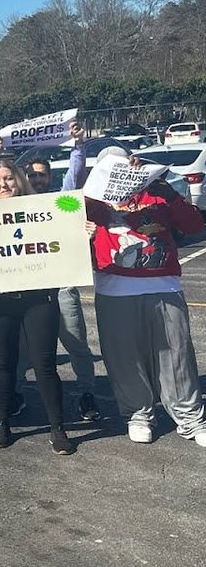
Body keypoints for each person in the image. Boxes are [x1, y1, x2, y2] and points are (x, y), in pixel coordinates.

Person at [85, 160, 206, 447]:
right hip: (114, 289)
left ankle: (190, 417)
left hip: (163, 285)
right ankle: (138, 414)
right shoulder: (92, 200)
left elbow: (193, 224)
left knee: (176, 355)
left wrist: (166, 187)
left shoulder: (158, 194)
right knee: (125, 357)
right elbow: (59, 209)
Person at [0, 126, 101, 420]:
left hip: (60, 287)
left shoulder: (59, 203)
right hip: (23, 290)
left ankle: (87, 393)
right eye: (32, 174)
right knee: (23, 351)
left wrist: (78, 147)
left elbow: (74, 179)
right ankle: (17, 393)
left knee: (75, 342)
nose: (37, 178)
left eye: (42, 174)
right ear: (24, 177)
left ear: (49, 177)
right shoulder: (13, 205)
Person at [0, 161, 74, 454]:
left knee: (45, 365)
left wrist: (80, 227)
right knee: (3, 364)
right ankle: (2, 423)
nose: (3, 184)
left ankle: (58, 428)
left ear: (19, 181)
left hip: (37, 300)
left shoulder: (43, 208)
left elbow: (69, 206)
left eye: (9, 179)